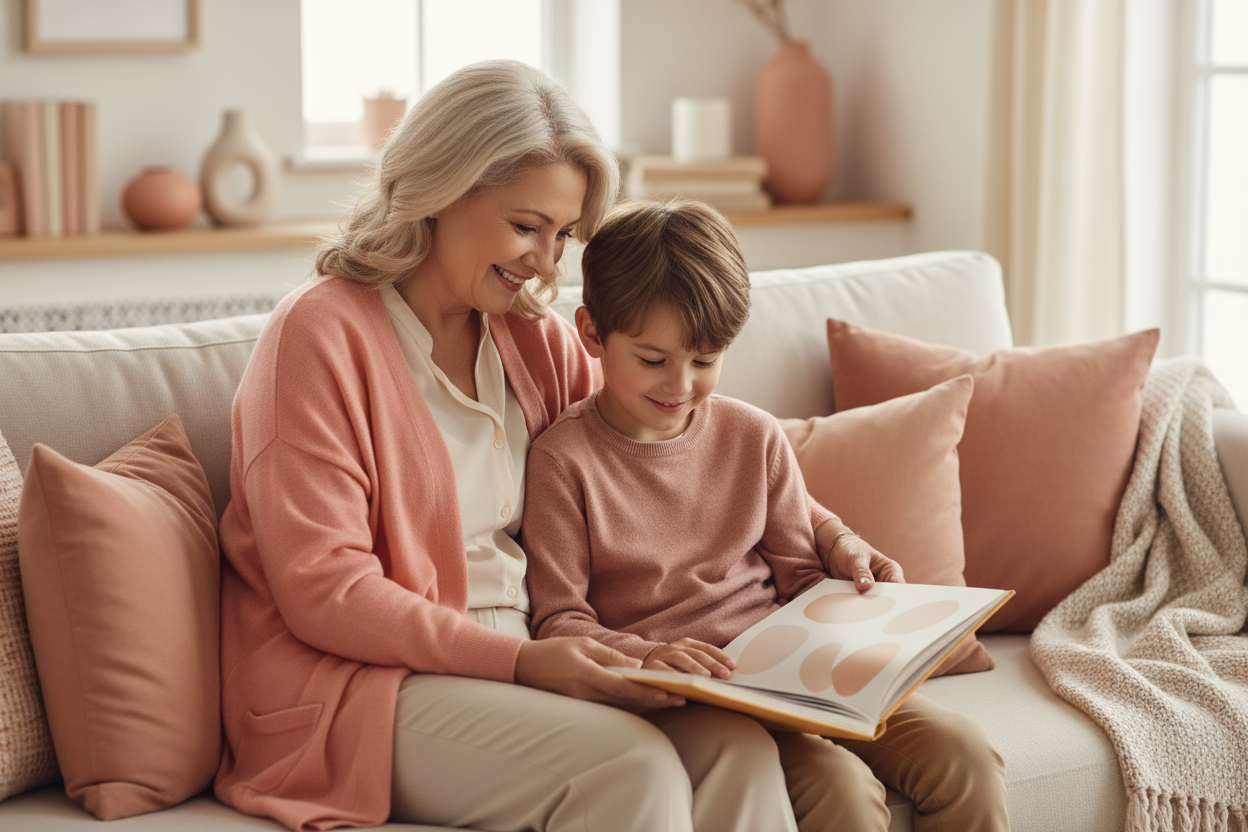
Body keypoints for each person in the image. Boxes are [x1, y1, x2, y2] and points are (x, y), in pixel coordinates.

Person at [213, 60, 883, 832]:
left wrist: (827, 534)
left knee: (736, 748)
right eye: (526, 226)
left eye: (562, 235)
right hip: (363, 684)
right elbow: (325, 592)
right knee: (628, 773)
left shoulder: (531, 337)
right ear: (438, 188)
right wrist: (527, 661)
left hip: (534, 657)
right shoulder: (317, 335)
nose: (547, 263)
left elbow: (664, 441)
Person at [523, 199, 1010, 832]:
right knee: (840, 789)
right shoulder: (563, 460)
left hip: (794, 674)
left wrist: (862, 606)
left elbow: (802, 577)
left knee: (966, 756)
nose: (681, 385)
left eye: (705, 361)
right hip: (689, 697)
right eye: (653, 359)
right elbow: (559, 621)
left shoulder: (753, 435)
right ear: (592, 333)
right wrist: (644, 657)